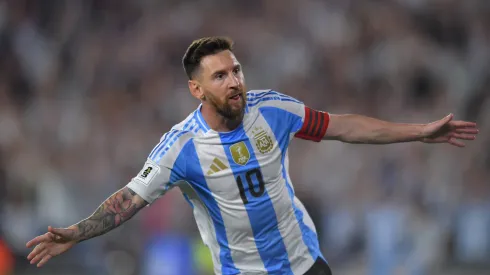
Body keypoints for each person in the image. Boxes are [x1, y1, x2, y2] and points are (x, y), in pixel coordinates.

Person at [26, 37, 479, 275]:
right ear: (197, 89)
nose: (234, 81)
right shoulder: (181, 147)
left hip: (307, 265)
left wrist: (419, 132)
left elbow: (343, 126)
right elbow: (129, 199)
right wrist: (76, 234)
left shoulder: (273, 109)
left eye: (236, 69)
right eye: (220, 75)